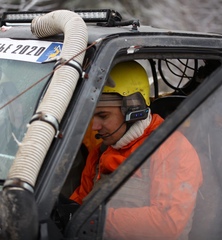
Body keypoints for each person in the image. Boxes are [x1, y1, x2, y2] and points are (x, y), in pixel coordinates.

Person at [70, 61, 203, 240]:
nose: (94, 126)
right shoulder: (101, 151)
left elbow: (167, 224)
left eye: (103, 116)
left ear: (134, 109)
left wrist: (93, 220)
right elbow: (79, 202)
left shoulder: (173, 151)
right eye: (93, 115)